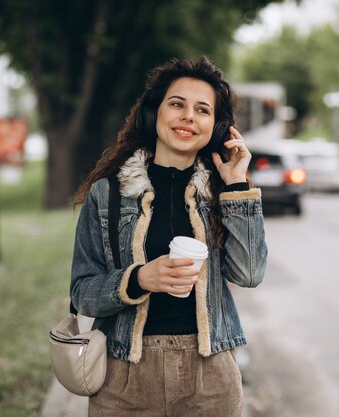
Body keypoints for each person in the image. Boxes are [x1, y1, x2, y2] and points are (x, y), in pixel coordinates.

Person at [70, 56, 267, 417]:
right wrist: (139, 278)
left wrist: (237, 184)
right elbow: (82, 294)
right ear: (153, 113)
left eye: (203, 110)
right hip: (123, 375)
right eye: (177, 104)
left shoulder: (225, 195)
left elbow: (249, 274)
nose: (188, 116)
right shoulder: (108, 194)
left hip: (210, 377)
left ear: (217, 127)